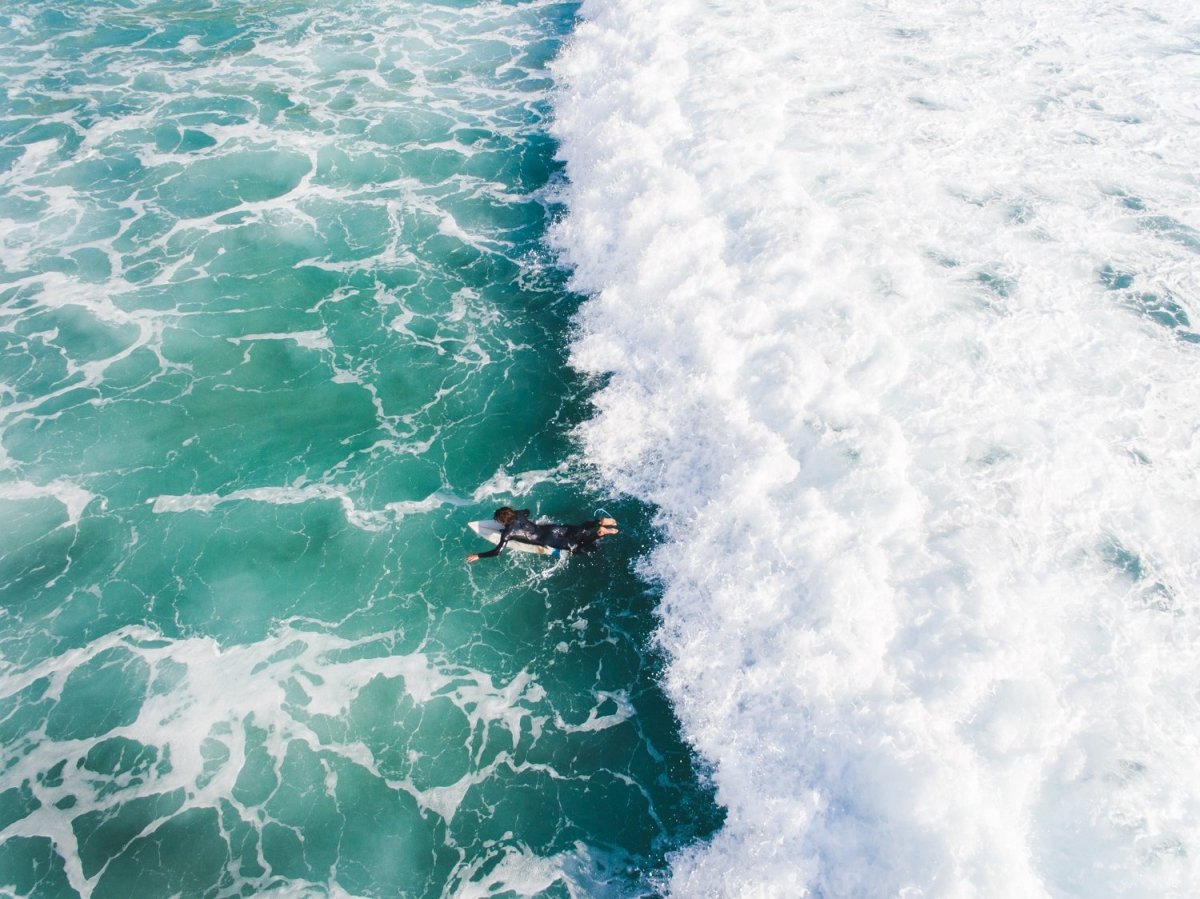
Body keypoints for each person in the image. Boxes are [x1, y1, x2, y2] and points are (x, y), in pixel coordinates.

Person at [466, 507, 618, 562]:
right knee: (578, 530)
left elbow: (497, 551)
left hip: (547, 539)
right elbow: (527, 511)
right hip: (551, 529)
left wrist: (479, 555)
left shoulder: (507, 533)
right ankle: (599, 521)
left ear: (502, 521)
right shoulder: (519, 514)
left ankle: (599, 534)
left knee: (578, 547)